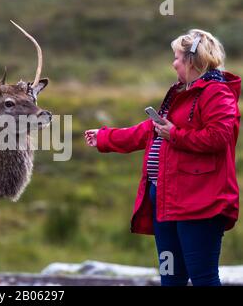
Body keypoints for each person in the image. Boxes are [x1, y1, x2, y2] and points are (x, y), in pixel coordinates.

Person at [85, 29, 241, 286]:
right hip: (167, 201)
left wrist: (175, 134)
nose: (174, 63)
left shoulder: (217, 93)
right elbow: (149, 130)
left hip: (200, 203)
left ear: (192, 60)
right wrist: (104, 137)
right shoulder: (182, 93)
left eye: (178, 57)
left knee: (203, 278)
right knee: (171, 278)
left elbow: (219, 137)